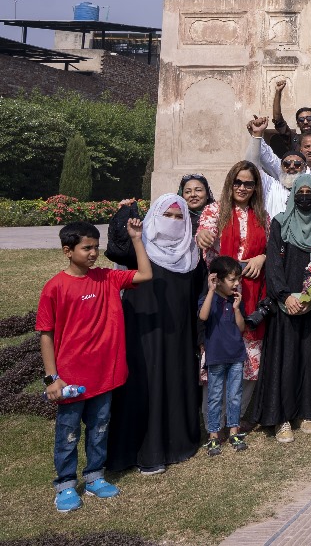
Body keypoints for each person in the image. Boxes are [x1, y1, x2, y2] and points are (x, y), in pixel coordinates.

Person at [39, 220, 151, 512]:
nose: (93, 253)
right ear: (67, 251)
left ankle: (94, 478)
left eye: (95, 247)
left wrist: (137, 239)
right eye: (86, 248)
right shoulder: (55, 288)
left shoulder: (107, 278)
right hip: (71, 380)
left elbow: (145, 274)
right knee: (68, 433)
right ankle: (65, 485)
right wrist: (52, 378)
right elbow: (46, 335)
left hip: (105, 377)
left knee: (99, 428)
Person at [106, 196, 203, 476]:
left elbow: (197, 293)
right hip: (142, 330)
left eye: (178, 217)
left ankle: (175, 446)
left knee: (173, 380)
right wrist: (125, 213)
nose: (172, 222)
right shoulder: (140, 245)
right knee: (143, 384)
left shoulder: (191, 253)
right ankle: (141, 450)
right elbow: (115, 249)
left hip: (178, 332)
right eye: (167, 215)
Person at [254, 175, 311, 442]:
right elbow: (273, 261)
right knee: (284, 360)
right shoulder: (280, 223)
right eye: (302, 191)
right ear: (294, 194)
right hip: (285, 303)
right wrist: (285, 295)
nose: (305, 195)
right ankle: (282, 418)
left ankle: (309, 413)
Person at [196, 162, 271, 408]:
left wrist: (263, 257)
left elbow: (271, 247)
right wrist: (203, 236)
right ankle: (215, 419)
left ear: (255, 187)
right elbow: (204, 233)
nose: (242, 187)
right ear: (230, 183)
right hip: (220, 291)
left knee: (250, 350)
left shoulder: (262, 215)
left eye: (248, 183)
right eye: (237, 182)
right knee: (218, 349)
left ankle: (236, 414)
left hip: (251, 289)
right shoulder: (214, 211)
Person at [198, 256, 248, 456]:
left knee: (235, 395)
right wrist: (210, 291)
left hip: (236, 355)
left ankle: (234, 431)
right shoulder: (208, 299)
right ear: (217, 280)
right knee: (215, 396)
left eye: (238, 280)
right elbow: (203, 316)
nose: (236, 284)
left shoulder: (235, 300)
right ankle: (213, 436)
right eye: (231, 279)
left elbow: (242, 327)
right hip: (216, 356)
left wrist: (237, 309)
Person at [257, 129, 311, 218]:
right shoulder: (285, 173)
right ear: (300, 149)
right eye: (307, 146)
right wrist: (257, 135)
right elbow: (267, 158)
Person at [246, 117, 308, 218]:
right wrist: (257, 135)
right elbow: (250, 168)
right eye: (287, 164)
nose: (291, 167)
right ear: (281, 167)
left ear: (304, 168)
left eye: (297, 164)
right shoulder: (271, 186)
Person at [268, 80, 311, 158]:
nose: (305, 122)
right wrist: (278, 92)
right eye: (301, 120)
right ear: (297, 123)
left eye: (309, 118)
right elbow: (278, 120)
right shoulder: (294, 140)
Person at [179, 173, 214, 237]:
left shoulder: (218, 218)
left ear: (207, 194)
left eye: (198, 190)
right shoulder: (177, 219)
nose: (193, 195)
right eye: (188, 192)